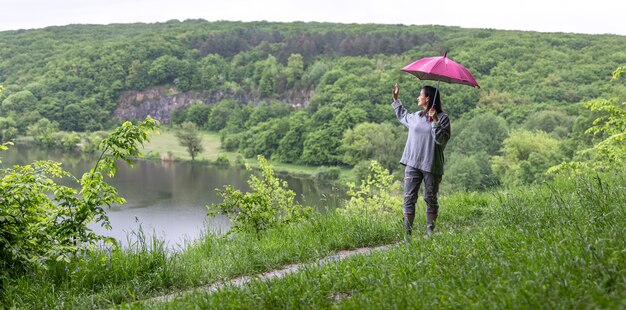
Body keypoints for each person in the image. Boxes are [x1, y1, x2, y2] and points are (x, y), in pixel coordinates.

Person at [391, 83, 450, 236]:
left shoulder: (443, 118)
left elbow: (441, 140)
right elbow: (403, 116)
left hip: (431, 165)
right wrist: (396, 100)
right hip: (412, 163)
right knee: (409, 198)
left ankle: (430, 232)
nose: (418, 97)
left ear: (428, 98)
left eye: (420, 95)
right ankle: (407, 236)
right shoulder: (416, 116)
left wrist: (435, 120)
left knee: (430, 198)